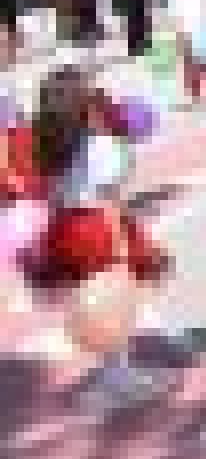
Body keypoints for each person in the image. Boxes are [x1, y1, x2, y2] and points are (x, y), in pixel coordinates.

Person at [24, 66, 173, 413]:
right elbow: (112, 195)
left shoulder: (43, 145)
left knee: (89, 299)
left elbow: (48, 193)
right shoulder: (100, 145)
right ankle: (119, 378)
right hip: (98, 224)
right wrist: (122, 246)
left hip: (63, 227)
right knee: (118, 295)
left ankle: (112, 373)